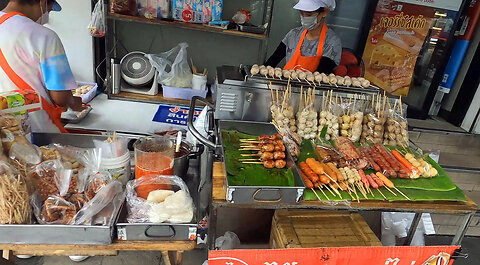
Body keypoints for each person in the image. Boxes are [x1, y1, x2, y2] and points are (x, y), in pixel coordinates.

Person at [0, 0, 84, 133]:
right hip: (36, 130)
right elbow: (60, 97)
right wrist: (74, 102)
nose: (47, 17)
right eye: (49, 10)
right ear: (43, 2)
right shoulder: (45, 36)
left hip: (4, 130)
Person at [265, 0, 341, 74]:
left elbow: (321, 75)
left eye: (309, 15)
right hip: (286, 85)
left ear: (325, 12)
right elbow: (272, 62)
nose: (304, 18)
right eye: (301, 13)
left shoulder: (332, 42)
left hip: (311, 86)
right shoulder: (293, 35)